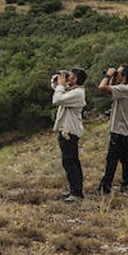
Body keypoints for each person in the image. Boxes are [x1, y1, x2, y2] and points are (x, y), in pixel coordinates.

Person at [97, 64, 128, 194]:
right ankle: (127, 185)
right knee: (125, 159)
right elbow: (110, 90)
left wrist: (108, 75)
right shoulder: (127, 89)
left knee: (112, 159)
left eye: (118, 73)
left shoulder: (125, 89)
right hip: (124, 130)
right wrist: (112, 78)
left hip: (119, 130)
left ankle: (105, 187)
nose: (116, 75)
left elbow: (102, 87)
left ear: (124, 75)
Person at [51, 68, 87, 202]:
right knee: (70, 162)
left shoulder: (77, 93)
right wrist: (57, 81)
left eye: (69, 76)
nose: (67, 78)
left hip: (69, 133)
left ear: (75, 79)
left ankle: (76, 193)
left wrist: (61, 85)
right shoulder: (73, 91)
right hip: (67, 131)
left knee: (70, 162)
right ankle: (74, 190)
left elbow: (57, 99)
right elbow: (55, 88)